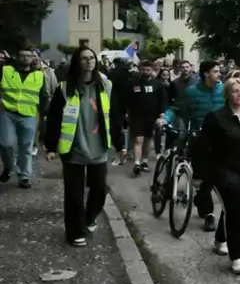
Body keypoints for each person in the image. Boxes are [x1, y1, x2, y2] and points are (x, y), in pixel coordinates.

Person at [43, 46, 125, 247]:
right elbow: (54, 118)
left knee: (99, 190)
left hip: (98, 148)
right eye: (84, 58)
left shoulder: (105, 85)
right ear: (77, 62)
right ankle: (75, 232)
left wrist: (120, 144)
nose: (89, 61)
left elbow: (114, 116)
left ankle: (89, 218)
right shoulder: (64, 88)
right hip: (73, 148)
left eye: (92, 58)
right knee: (74, 195)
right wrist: (51, 146)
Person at [194, 77, 240, 275]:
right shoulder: (215, 118)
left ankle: (220, 238)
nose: (239, 94)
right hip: (223, 171)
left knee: (232, 207)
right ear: (227, 94)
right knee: (233, 210)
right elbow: (202, 147)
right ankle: (237, 256)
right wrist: (203, 174)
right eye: (235, 91)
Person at [160, 60, 224, 232]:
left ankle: (201, 199)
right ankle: (209, 214)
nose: (220, 74)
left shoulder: (224, 90)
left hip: (220, 141)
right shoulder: (192, 92)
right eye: (216, 71)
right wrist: (164, 119)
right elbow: (175, 108)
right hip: (199, 139)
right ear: (206, 74)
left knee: (215, 177)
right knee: (202, 177)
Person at [1, 48, 51, 188]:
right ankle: (8, 167)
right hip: (8, 113)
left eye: (28, 56)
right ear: (17, 57)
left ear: (32, 58)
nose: (25, 58)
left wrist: (44, 113)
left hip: (29, 114)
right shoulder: (6, 71)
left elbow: (43, 96)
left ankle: (24, 175)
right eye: (22, 55)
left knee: (26, 147)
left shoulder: (39, 76)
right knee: (6, 144)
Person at [127, 60, 167, 176]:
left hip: (151, 116)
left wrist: (162, 112)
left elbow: (163, 99)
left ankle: (144, 161)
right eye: (143, 69)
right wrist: (126, 112)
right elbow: (127, 99)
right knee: (138, 139)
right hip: (136, 115)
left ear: (152, 71)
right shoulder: (133, 83)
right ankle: (137, 163)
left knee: (148, 139)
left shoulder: (157, 84)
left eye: (148, 70)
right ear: (140, 69)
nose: (145, 72)